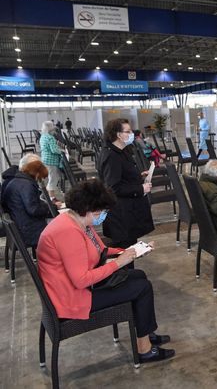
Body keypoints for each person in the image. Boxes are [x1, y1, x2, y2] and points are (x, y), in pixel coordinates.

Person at [37, 180, 174, 363]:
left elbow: (100, 251)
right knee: (142, 287)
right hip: (72, 298)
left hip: (76, 288)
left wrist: (130, 250)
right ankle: (144, 349)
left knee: (139, 276)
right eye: (101, 212)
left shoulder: (77, 220)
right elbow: (81, 280)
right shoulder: (68, 232)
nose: (103, 216)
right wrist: (118, 263)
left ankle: (146, 332)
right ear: (89, 210)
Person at [97, 119, 154, 248]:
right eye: (128, 131)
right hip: (120, 215)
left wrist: (138, 176)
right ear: (118, 135)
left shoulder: (121, 151)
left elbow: (119, 176)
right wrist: (140, 189)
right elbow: (113, 187)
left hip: (127, 212)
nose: (131, 134)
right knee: (125, 252)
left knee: (130, 249)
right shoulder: (111, 155)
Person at [2, 154, 58, 249]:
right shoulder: (26, 185)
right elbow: (33, 209)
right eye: (39, 177)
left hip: (21, 226)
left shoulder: (15, 181)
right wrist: (50, 208)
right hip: (29, 232)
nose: (39, 180)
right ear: (35, 173)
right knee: (63, 229)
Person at [39, 121, 64, 200]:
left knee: (51, 178)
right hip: (51, 161)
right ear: (50, 128)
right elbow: (54, 150)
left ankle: (46, 195)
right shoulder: (50, 137)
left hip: (45, 159)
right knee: (53, 178)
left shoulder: (43, 136)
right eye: (52, 126)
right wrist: (62, 151)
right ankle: (52, 198)